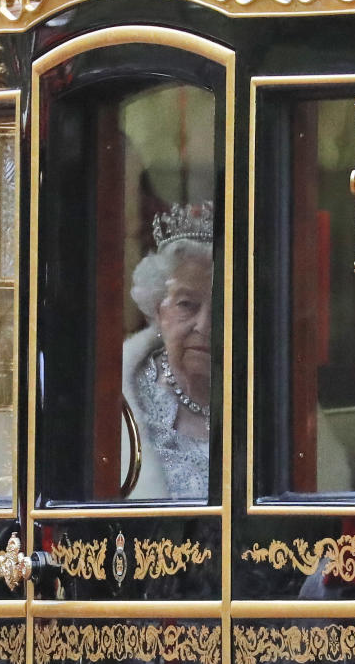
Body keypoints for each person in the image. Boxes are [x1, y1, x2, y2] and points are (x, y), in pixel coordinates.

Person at [122, 202, 213, 500]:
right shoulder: (122, 399)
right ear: (158, 311)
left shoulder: (262, 395)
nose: (205, 325)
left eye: (223, 308)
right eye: (187, 304)